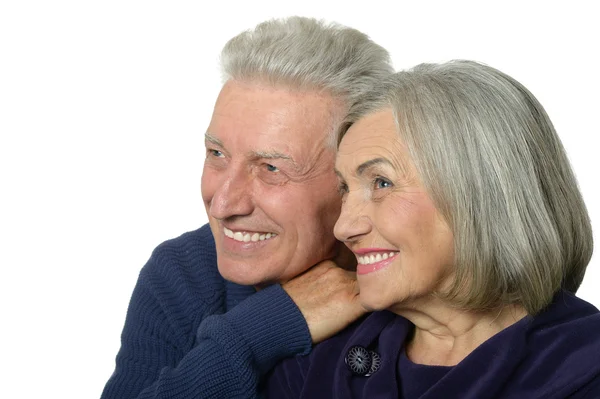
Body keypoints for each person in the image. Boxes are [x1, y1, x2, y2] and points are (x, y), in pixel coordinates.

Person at [265, 60, 600, 398]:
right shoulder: (320, 356)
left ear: (482, 193)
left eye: (382, 182)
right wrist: (254, 331)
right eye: (344, 189)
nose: (343, 227)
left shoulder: (584, 369)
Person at [100, 17, 393, 399]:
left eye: (271, 168)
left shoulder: (417, 276)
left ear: (353, 177)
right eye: (217, 154)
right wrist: (257, 333)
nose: (222, 204)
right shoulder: (184, 273)